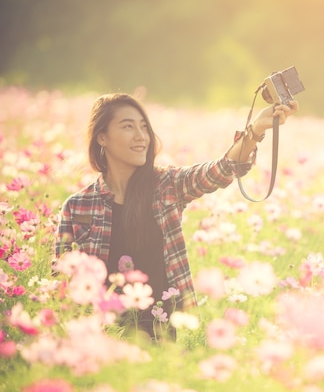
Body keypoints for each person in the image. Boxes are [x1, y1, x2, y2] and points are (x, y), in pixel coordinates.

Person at [55, 92, 298, 340]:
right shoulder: (77, 207)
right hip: (102, 339)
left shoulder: (166, 185)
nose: (141, 136)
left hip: (165, 339)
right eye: (128, 126)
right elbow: (62, 287)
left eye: (144, 127)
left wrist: (256, 129)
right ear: (102, 137)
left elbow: (221, 169)